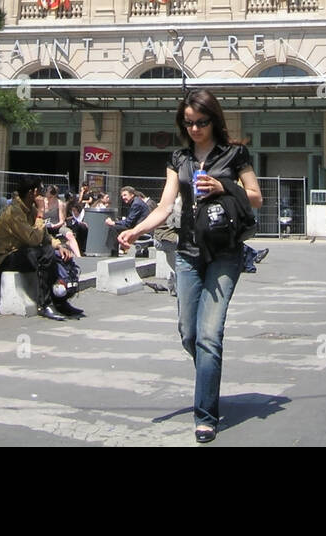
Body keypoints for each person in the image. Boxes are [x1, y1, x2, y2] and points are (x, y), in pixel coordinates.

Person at [119, 89, 262, 444]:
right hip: (186, 252)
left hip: (224, 253)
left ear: (214, 120)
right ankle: (208, 381)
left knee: (210, 336)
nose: (195, 128)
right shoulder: (179, 158)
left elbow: (256, 197)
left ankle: (206, 415)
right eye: (188, 123)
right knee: (189, 334)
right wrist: (136, 230)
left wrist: (223, 185)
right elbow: (166, 205)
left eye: (201, 122)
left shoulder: (234, 153)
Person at [0, 177, 83, 321]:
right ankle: (44, 304)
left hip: (22, 252)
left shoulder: (29, 209)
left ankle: (60, 300)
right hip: (4, 257)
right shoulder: (14, 211)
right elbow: (33, 239)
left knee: (55, 253)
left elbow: (44, 236)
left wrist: (59, 246)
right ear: (33, 192)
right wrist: (41, 213)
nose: (44, 195)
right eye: (42, 191)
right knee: (44, 254)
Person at [105, 186, 151, 257]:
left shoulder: (136, 204)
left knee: (114, 228)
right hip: (137, 226)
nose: (123, 197)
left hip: (140, 229)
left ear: (132, 195)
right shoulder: (134, 202)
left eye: (125, 195)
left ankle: (112, 253)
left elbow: (128, 223)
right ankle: (112, 250)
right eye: (122, 196)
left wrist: (114, 222)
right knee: (115, 227)